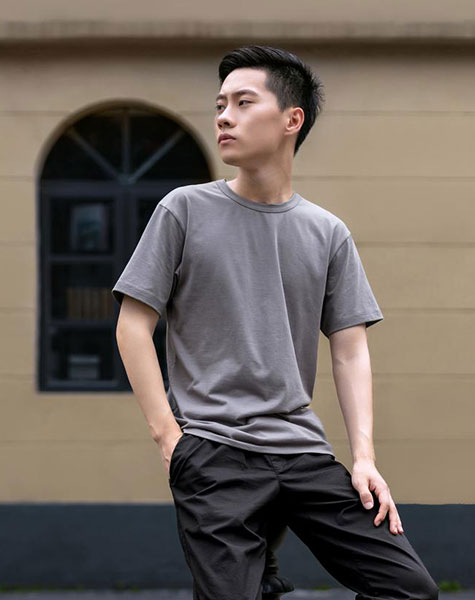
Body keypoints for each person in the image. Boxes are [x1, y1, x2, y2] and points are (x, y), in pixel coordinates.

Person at [112, 45, 439, 600]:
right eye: (220, 105)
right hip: (213, 450)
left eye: (243, 103)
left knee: (410, 589)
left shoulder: (327, 232)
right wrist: (170, 437)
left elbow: (350, 350)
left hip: (304, 453)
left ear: (292, 120)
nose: (224, 117)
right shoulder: (183, 210)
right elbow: (132, 325)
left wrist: (364, 458)